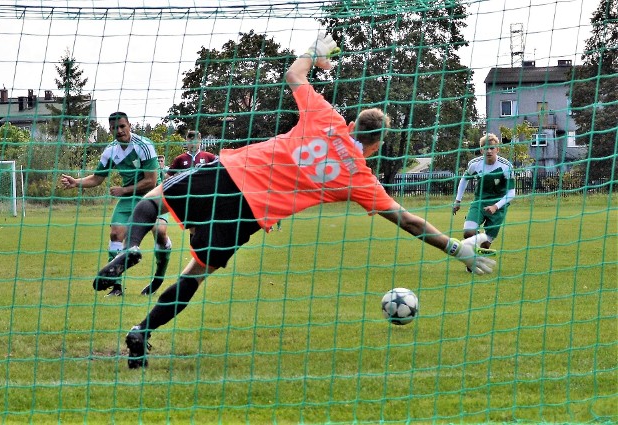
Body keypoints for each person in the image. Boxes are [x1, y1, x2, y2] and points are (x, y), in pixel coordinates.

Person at [93, 33, 496, 368]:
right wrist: (457, 249)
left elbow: (292, 73)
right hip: (251, 215)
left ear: (353, 124)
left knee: (153, 200)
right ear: (374, 146)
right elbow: (407, 220)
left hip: (229, 174)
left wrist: (319, 53)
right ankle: (140, 333)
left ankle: (128, 250)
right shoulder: (359, 176)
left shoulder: (325, 117)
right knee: (193, 275)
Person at [60, 112, 173, 297]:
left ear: (129, 125)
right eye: (114, 128)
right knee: (115, 234)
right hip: (129, 198)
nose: (119, 131)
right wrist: (76, 182)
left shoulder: (144, 146)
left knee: (160, 233)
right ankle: (116, 287)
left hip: (153, 195)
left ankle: (158, 278)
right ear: (110, 129)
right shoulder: (110, 151)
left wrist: (124, 190)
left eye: (122, 126)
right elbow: (97, 178)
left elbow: (151, 181)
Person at [452, 133, 515, 271]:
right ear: (481, 150)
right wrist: (458, 200)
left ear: (497, 149)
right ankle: (476, 242)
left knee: (485, 245)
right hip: (479, 201)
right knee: (468, 232)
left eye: (492, 148)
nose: (489, 151)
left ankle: (473, 261)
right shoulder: (474, 164)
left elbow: (511, 193)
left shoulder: (506, 166)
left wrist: (495, 206)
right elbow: (464, 179)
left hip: (499, 205)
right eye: (485, 148)